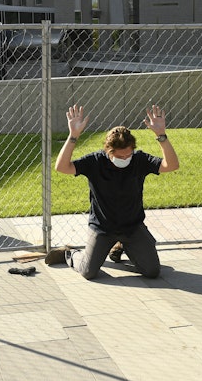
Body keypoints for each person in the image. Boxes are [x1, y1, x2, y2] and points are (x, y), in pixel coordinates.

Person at [47, 103, 179, 279]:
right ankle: (69, 253)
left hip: (132, 227)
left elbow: (172, 165)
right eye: (119, 156)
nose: (124, 159)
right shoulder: (95, 161)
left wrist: (161, 135)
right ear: (109, 152)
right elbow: (62, 167)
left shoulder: (139, 160)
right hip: (102, 228)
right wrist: (73, 136)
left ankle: (122, 245)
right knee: (88, 272)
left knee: (152, 271)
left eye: (128, 155)